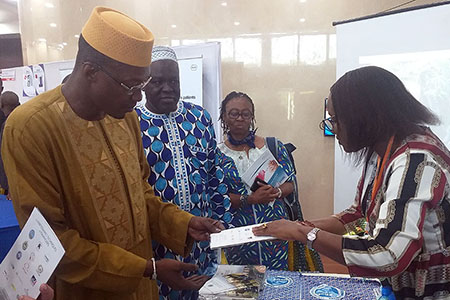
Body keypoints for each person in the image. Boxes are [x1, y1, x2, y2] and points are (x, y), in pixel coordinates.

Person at [2, 7, 223, 300]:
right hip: (85, 290)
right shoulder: (31, 127)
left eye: (143, 84)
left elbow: (140, 194)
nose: (139, 97)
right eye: (131, 86)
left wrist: (183, 223)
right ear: (90, 72)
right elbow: (52, 239)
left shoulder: (125, 116)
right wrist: (146, 268)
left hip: (142, 287)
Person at [254, 66, 450, 299]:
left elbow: (387, 255)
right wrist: (300, 225)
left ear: (363, 117)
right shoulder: (384, 152)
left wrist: (302, 233)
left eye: (335, 120)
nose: (333, 129)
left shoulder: (415, 161)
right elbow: (357, 214)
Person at [136, 45, 232, 300]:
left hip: (201, 239)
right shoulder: (132, 124)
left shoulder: (199, 118)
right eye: (157, 81)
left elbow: (214, 175)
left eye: (173, 81)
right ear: (144, 84)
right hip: (158, 242)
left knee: (202, 293)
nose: (167, 88)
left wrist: (223, 225)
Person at [217, 91, 322, 272]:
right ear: (224, 117)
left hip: (276, 233)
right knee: (243, 284)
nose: (240, 118)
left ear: (252, 117)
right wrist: (251, 199)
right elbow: (218, 196)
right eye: (234, 113)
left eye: (246, 113)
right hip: (239, 237)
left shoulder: (272, 146)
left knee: (278, 280)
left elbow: (291, 183)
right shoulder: (217, 155)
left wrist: (278, 192)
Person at [0, 91, 20, 197]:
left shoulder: (8, 125)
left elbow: (8, 155)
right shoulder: (24, 119)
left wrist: (10, 185)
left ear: (1, 104)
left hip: (11, 182)